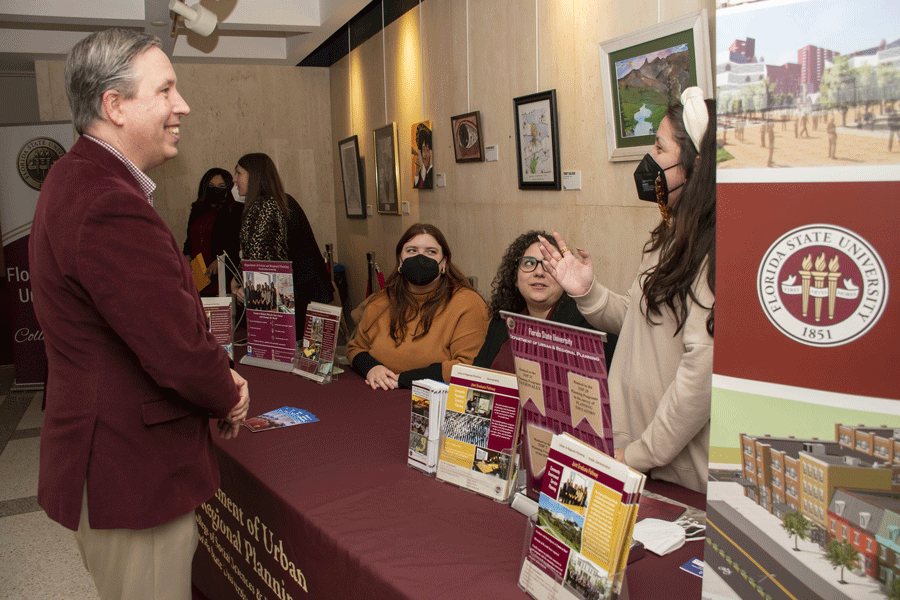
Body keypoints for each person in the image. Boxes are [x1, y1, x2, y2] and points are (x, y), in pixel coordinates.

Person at [28, 29, 250, 600]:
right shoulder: (107, 200)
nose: (183, 106)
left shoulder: (80, 178)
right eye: (167, 89)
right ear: (115, 105)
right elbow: (171, 344)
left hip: (112, 459)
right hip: (131, 470)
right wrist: (227, 391)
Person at [538, 87, 715, 493]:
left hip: (674, 472)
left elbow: (698, 380)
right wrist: (588, 293)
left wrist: (641, 454)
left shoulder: (713, 255)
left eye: (660, 147)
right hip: (634, 455)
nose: (649, 160)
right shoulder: (668, 238)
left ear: (694, 166)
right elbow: (637, 319)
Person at [348, 223, 489, 389]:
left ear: (444, 263)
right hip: (377, 390)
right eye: (412, 250)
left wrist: (404, 379)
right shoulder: (382, 300)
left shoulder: (467, 304)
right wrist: (372, 368)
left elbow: (467, 367)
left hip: (432, 399)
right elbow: (355, 348)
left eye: (431, 252)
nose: (420, 258)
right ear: (400, 261)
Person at [473, 230, 616, 373]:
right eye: (529, 263)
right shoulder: (502, 320)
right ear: (515, 277)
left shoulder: (586, 324)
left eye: (549, 264)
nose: (539, 272)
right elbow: (477, 375)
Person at [231, 152, 332, 337]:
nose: (234, 179)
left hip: (298, 296)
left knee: (292, 355)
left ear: (254, 176)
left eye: (238, 173)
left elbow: (263, 261)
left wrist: (240, 284)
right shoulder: (277, 200)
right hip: (302, 292)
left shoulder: (267, 207)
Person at [183, 167, 242, 295]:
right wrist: (186, 257)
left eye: (221, 186)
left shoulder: (235, 210)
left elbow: (236, 243)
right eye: (211, 186)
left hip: (223, 277)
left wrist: (221, 260)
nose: (215, 190)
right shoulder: (197, 209)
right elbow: (189, 241)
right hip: (198, 276)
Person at [414, 123, 434, 189]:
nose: (424, 155)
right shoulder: (422, 173)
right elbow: (417, 186)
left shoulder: (430, 173)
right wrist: (417, 171)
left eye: (427, 149)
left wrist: (422, 166)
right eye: (422, 150)